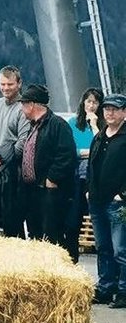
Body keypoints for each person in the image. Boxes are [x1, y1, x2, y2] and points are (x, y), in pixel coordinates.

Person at [16, 84, 77, 247]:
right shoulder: (33, 126)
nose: (21, 109)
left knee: (52, 233)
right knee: (35, 232)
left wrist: (52, 177)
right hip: (33, 190)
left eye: (23, 104)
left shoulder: (57, 124)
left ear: (32, 104)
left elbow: (66, 154)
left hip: (50, 190)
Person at [0, 65, 30, 237]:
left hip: (12, 171)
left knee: (11, 220)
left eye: (9, 84)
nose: (5, 88)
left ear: (19, 83)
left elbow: (21, 144)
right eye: (2, 84)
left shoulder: (24, 109)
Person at [88, 94, 126, 307]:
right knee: (103, 247)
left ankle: (123, 290)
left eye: (115, 109)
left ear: (124, 112)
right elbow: (92, 164)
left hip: (119, 202)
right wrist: (89, 190)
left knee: (121, 249)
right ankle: (105, 287)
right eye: (107, 109)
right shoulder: (100, 136)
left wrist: (123, 194)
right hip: (97, 200)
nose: (109, 112)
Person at [66, 88, 103, 261]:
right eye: (88, 101)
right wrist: (89, 152)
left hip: (98, 178)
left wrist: (95, 125)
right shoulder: (73, 123)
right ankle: (72, 257)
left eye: (95, 102)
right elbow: (71, 149)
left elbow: (103, 148)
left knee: (100, 223)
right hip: (77, 177)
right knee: (73, 221)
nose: (91, 105)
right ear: (83, 103)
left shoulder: (103, 125)